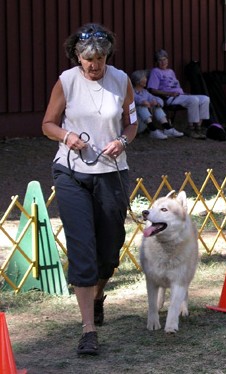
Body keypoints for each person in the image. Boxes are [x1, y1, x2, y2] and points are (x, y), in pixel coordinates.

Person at [42, 23, 138, 356]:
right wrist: (66, 136)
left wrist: (121, 141)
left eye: (99, 59)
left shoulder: (122, 80)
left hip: (111, 172)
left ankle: (98, 296)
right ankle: (88, 330)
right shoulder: (66, 81)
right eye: (87, 60)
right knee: (83, 248)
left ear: (108, 55)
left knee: (109, 250)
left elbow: (133, 122)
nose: (94, 66)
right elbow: (47, 124)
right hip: (71, 171)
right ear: (77, 57)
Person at [147, 49, 210, 140]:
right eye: (160, 60)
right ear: (157, 62)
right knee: (193, 100)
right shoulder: (155, 71)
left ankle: (198, 128)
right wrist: (169, 93)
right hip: (169, 97)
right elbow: (152, 89)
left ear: (168, 60)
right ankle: (191, 129)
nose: (163, 62)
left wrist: (183, 93)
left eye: (164, 59)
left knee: (205, 99)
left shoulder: (171, 71)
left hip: (181, 96)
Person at [131, 70, 184, 139]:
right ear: (137, 81)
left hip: (143, 123)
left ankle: (167, 128)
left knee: (157, 106)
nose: (146, 79)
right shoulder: (131, 91)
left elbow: (156, 99)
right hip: (133, 125)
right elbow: (136, 98)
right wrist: (144, 102)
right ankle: (153, 130)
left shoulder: (145, 92)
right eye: (144, 78)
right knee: (141, 106)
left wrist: (157, 103)